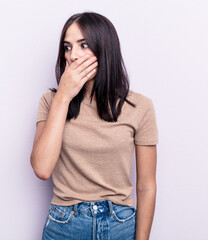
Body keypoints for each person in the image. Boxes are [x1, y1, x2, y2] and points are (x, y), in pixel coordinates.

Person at [30, 11, 158, 240]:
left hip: (119, 224)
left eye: (84, 45)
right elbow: (42, 168)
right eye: (67, 47)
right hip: (64, 224)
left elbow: (146, 186)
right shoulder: (51, 102)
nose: (73, 56)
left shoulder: (140, 106)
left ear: (104, 49)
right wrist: (63, 96)